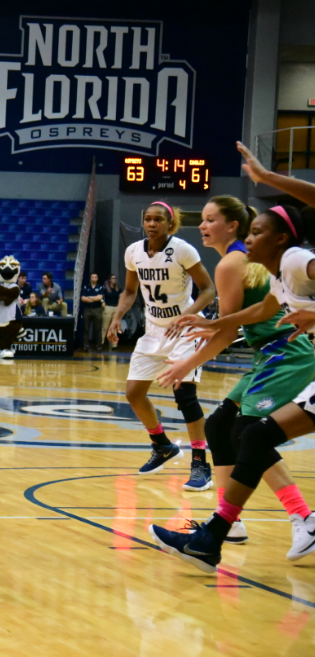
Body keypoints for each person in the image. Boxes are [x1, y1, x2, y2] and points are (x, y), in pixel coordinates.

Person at [147, 143, 315, 570]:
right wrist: (211, 325)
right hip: (272, 354)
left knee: (249, 433)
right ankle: (228, 523)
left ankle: (300, 518)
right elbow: (259, 313)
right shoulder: (274, 270)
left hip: (285, 355)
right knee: (229, 427)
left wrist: (191, 357)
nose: (201, 227)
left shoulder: (279, 260)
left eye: (209, 220)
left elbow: (241, 325)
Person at [106, 201, 216, 484]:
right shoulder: (133, 252)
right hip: (154, 331)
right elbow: (130, 291)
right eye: (147, 219)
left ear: (170, 224)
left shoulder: (182, 249)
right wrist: (117, 317)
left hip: (185, 330)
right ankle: (163, 446)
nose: (152, 224)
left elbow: (208, 290)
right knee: (133, 393)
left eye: (158, 219)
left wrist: (187, 316)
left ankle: (200, 464)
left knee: (185, 395)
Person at [81, 273, 105, 351]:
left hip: (97, 309)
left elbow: (100, 297)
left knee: (98, 329)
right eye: (92, 277)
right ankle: (86, 346)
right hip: (87, 309)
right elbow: (83, 299)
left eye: (95, 277)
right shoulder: (85, 287)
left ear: (97, 278)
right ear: (90, 278)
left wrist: (89, 297)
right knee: (86, 329)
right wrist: (94, 298)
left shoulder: (101, 287)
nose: (94, 278)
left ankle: (99, 346)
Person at [102, 274, 121, 349]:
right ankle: (102, 343)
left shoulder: (117, 288)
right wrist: (103, 304)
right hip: (108, 307)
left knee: (115, 327)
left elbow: (120, 297)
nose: (114, 280)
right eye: (113, 278)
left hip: (116, 307)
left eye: (115, 278)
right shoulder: (105, 288)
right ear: (109, 279)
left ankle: (114, 344)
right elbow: (102, 297)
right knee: (105, 327)